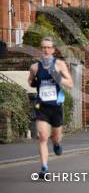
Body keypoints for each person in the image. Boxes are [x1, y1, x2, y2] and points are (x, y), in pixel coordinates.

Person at [28, 37, 73, 179]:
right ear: (41, 50)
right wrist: (33, 82)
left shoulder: (59, 64)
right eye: (43, 47)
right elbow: (30, 82)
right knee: (42, 136)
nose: (46, 50)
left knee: (56, 137)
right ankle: (44, 168)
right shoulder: (35, 67)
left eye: (49, 47)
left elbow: (70, 83)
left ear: (53, 50)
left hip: (56, 107)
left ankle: (57, 144)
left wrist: (58, 77)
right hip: (41, 106)